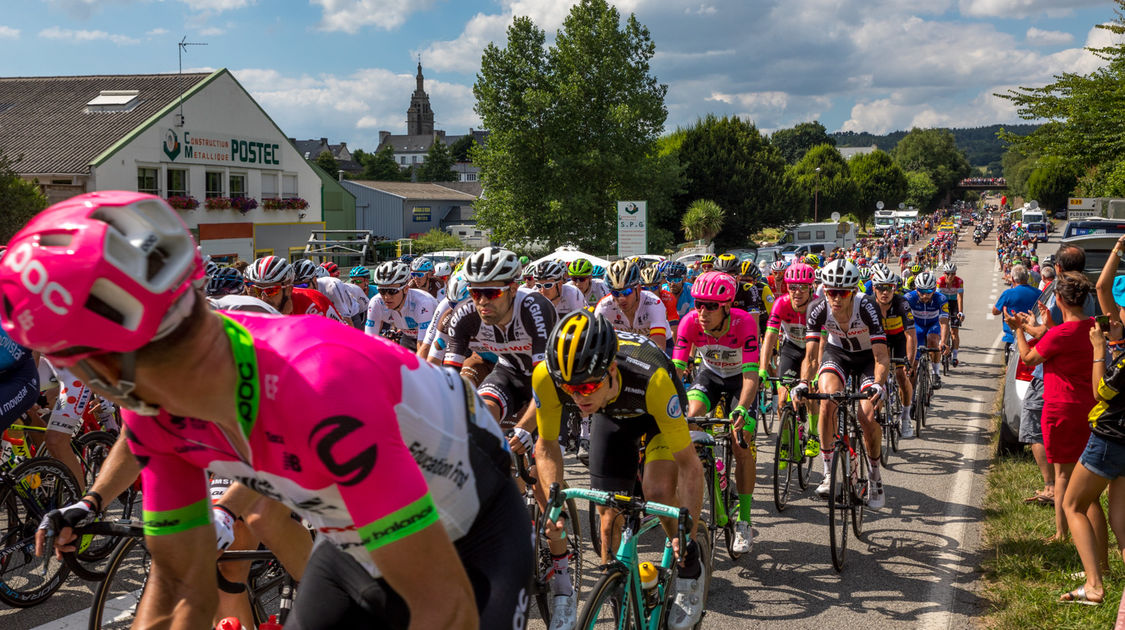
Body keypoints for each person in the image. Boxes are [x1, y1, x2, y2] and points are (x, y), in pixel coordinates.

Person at [12, 191, 530, 630]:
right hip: (351, 533)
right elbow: (178, 584)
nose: (75, 379)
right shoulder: (154, 407)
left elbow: (445, 605)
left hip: (467, 521)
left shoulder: (320, 386)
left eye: (73, 359)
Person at [534, 311, 706, 630]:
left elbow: (689, 465)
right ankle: (616, 594)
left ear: (610, 370)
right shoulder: (549, 375)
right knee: (607, 516)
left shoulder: (652, 380)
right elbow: (545, 448)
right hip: (610, 413)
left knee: (657, 490)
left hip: (653, 413)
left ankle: (689, 567)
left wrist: (688, 534)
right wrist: (553, 505)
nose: (575, 397)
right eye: (567, 388)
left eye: (585, 388)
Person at [1005, 272, 1097, 546]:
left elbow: (1028, 357)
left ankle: (1061, 533)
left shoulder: (1061, 334)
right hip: (1089, 407)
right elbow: (1060, 338)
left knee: (1062, 476)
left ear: (1058, 298)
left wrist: (1018, 329)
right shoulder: (1092, 326)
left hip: (1061, 410)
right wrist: (1047, 325)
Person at [673, 271, 760, 553]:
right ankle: (704, 468)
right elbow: (675, 373)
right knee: (689, 419)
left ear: (726, 306)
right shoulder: (689, 323)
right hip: (709, 377)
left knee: (741, 442)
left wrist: (743, 410)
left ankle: (744, 520)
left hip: (740, 381)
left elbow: (750, 376)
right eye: (699, 303)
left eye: (711, 306)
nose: (702, 312)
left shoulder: (744, 322)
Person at [795, 259, 891, 509]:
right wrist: (804, 382)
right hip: (838, 355)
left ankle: (874, 475)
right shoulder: (817, 308)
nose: (836, 298)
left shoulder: (868, 307)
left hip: (868, 359)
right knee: (827, 400)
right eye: (831, 292)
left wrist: (879, 385)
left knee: (867, 416)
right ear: (824, 290)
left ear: (853, 292)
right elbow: (811, 356)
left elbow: (881, 356)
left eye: (842, 292)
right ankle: (828, 473)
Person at [594, 260, 669, 349]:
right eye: (615, 293)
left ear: (638, 289)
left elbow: (659, 349)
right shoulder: (604, 307)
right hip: (627, 345)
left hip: (659, 342)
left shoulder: (653, 303)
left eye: (627, 292)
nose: (621, 298)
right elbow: (598, 345)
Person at [364, 260, 437, 351]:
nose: (387, 297)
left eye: (392, 291)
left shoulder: (422, 302)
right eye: (382, 291)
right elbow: (369, 342)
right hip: (408, 335)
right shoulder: (376, 303)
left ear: (406, 289)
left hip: (436, 336)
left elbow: (424, 347)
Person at [904, 271, 950, 389]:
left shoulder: (941, 298)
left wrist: (943, 342)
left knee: (933, 340)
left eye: (929, 291)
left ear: (934, 290)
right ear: (916, 289)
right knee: (913, 364)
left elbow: (944, 322)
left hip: (933, 324)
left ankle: (935, 373)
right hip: (917, 326)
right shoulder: (909, 298)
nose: (925, 296)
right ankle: (912, 397)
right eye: (921, 291)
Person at [993, 264, 1042, 362]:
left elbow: (995, 311)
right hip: (1033, 336)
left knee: (1010, 368)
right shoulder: (1039, 293)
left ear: (1012, 279)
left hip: (1012, 337)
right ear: (1027, 278)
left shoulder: (1008, 293)